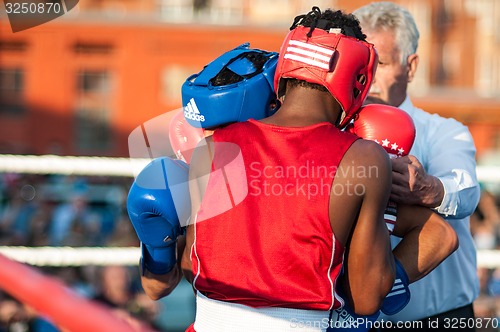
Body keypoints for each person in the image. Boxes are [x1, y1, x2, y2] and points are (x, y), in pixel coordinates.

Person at [128, 7, 459, 331]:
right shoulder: (363, 159)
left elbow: (191, 266)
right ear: (358, 79)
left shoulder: (211, 147)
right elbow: (367, 298)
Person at [353, 2, 481, 330]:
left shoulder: (445, 131)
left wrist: (429, 188)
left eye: (380, 62)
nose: (368, 75)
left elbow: (464, 190)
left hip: (440, 321)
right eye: (360, 62)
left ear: (410, 67)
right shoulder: (336, 132)